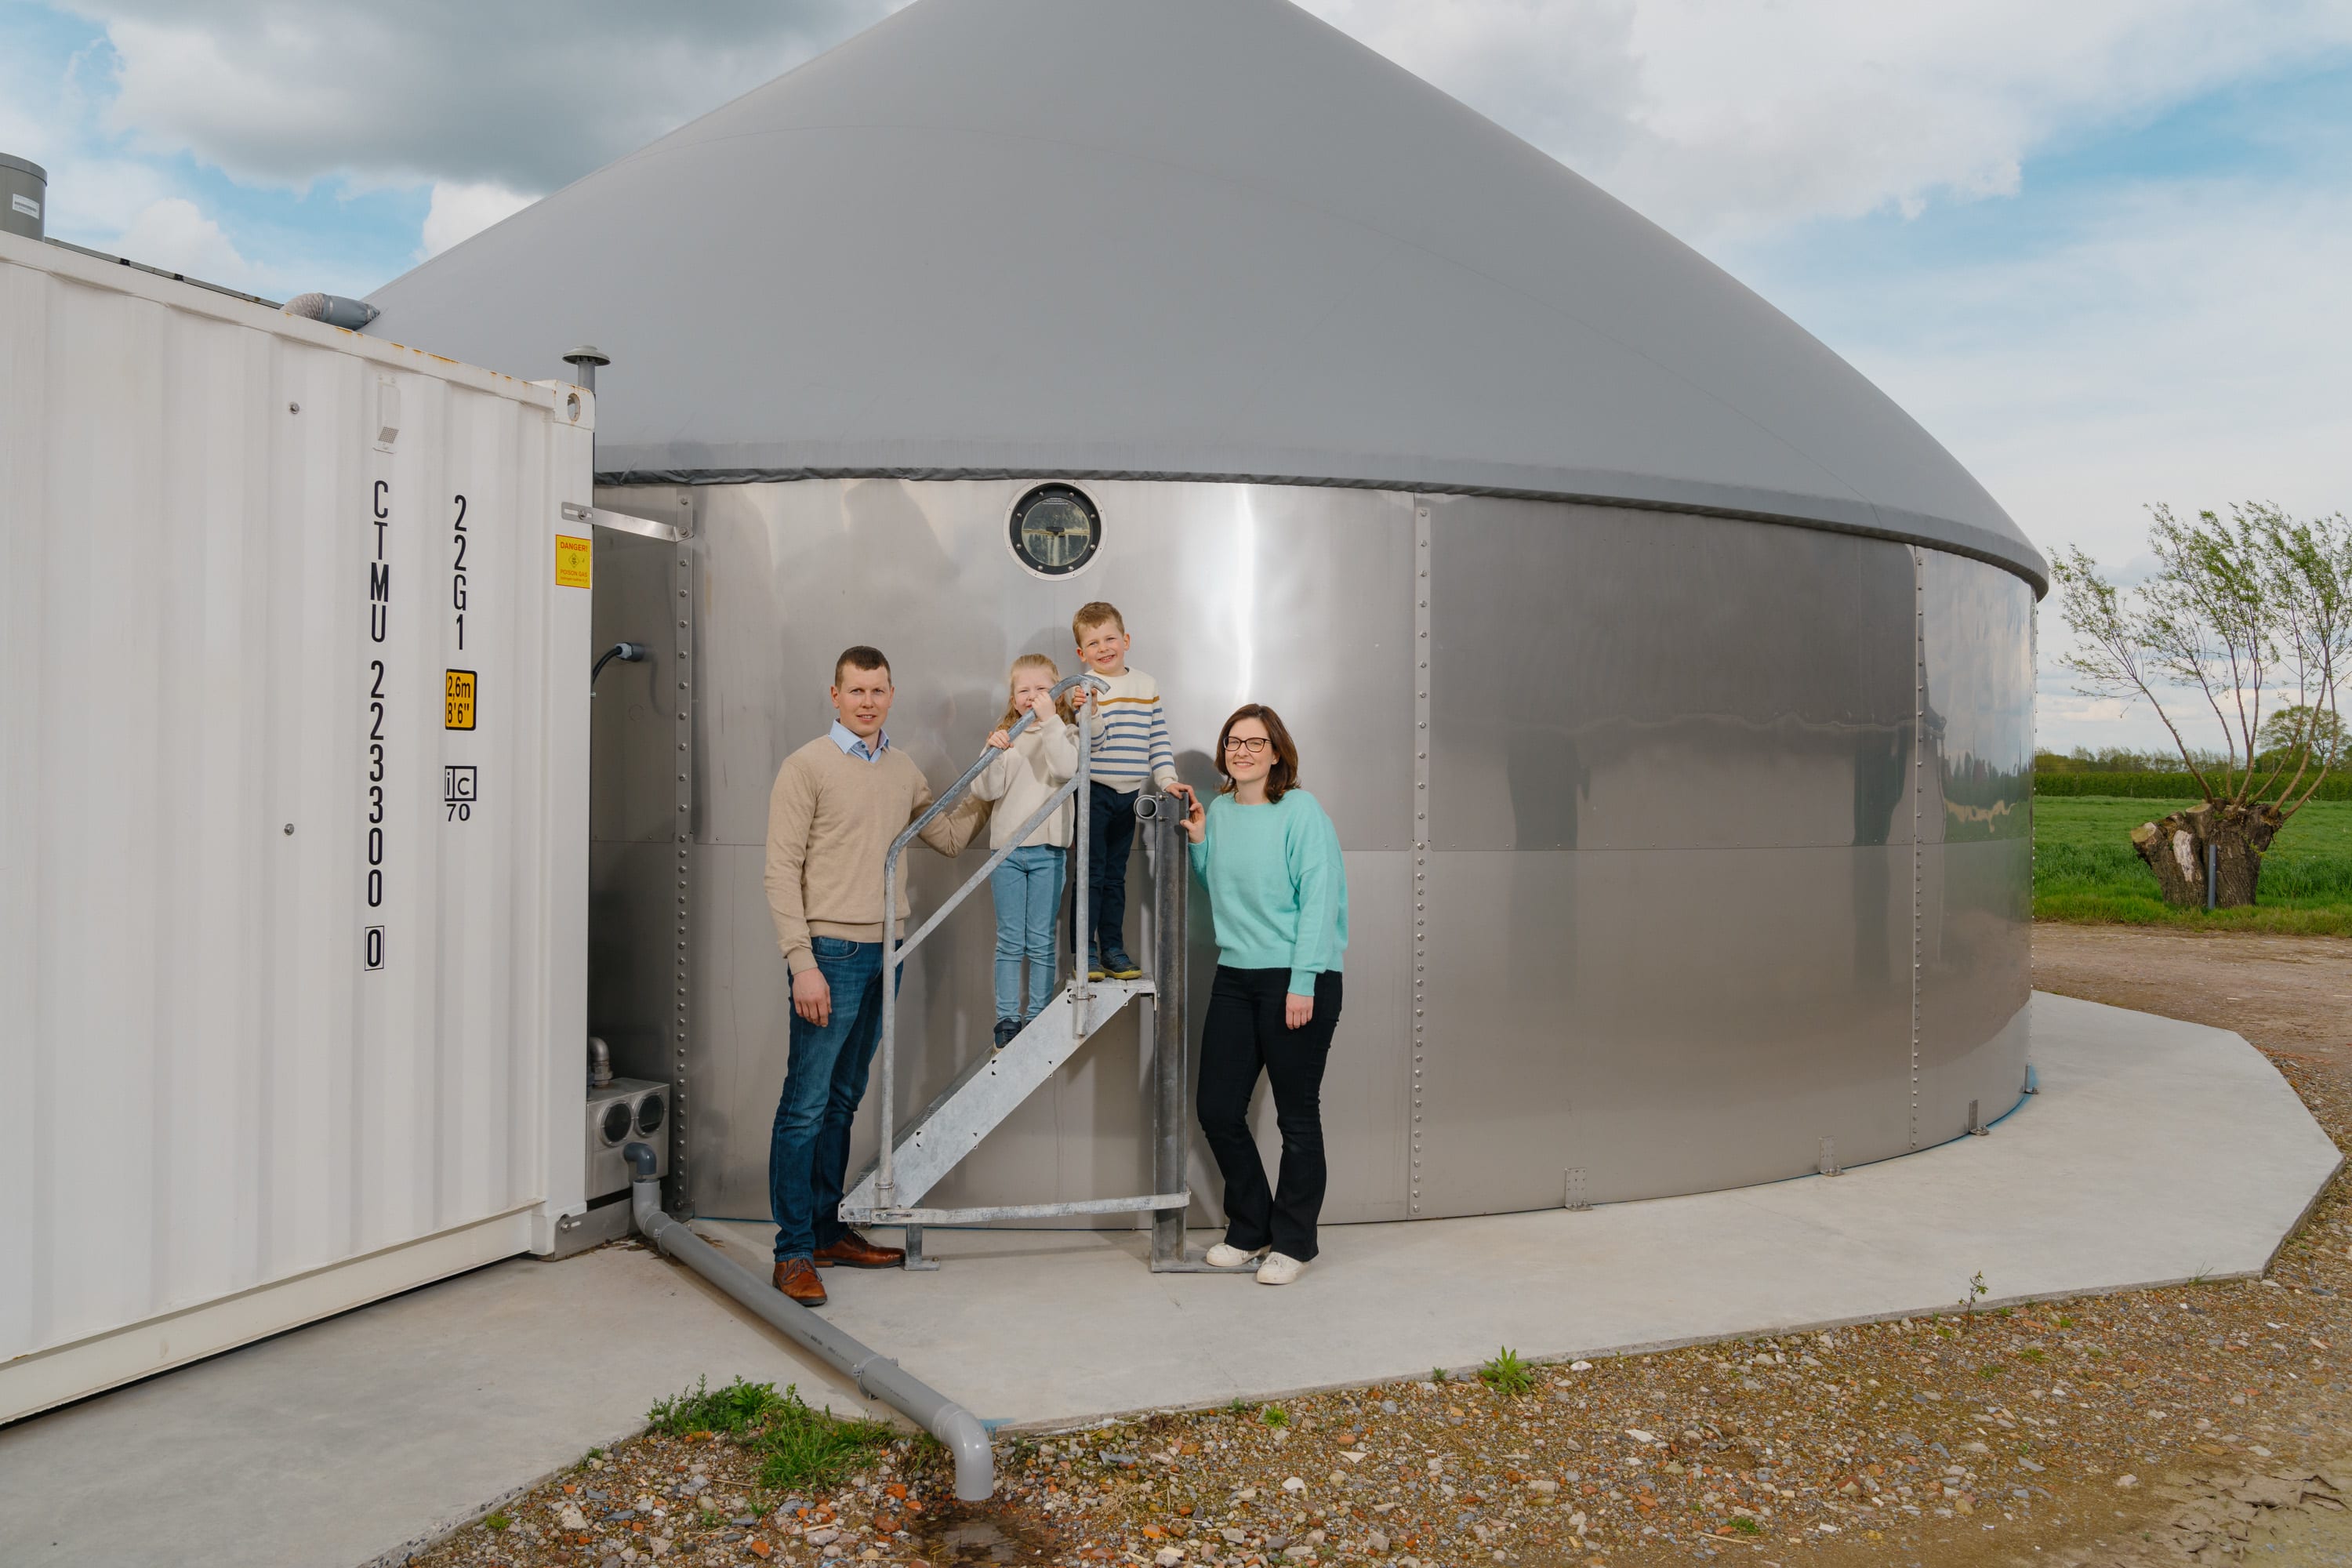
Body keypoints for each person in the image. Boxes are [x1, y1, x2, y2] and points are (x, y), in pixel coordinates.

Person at [761, 646, 989, 1307]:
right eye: (855, 691)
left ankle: (830, 1231)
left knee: (842, 1099)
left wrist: (997, 770)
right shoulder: (805, 767)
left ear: (892, 694)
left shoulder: (901, 768)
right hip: (828, 955)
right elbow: (780, 871)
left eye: (878, 691)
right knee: (803, 1107)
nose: (867, 701)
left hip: (887, 951)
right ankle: (793, 1250)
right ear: (834, 694)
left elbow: (946, 837)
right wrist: (801, 963)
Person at [1178, 704, 1348, 1286]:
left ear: (1277, 752)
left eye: (1255, 743)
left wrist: (1303, 983)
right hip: (1237, 975)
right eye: (1233, 742)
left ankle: (1295, 1242)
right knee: (1217, 1110)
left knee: (1297, 1119)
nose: (1242, 751)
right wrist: (1200, 842)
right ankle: (1251, 1228)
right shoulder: (1221, 810)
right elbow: (1218, 890)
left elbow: (1319, 902)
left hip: (1299, 978)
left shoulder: (1301, 812)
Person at [973, 654, 1080, 1048]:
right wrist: (993, 752)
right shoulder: (1005, 736)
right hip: (1007, 852)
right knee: (1009, 940)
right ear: (1013, 696)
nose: (1033, 696)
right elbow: (985, 790)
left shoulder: (1066, 732)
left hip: (1049, 850)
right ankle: (1006, 1018)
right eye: (1024, 690)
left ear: (1055, 693)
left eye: (1042, 689)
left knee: (1040, 939)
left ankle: (1036, 1015)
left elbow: (1067, 769)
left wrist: (1051, 720)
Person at [1071, 601, 1178, 981]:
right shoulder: (1082, 689)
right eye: (1094, 643)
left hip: (1128, 795)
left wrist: (1166, 779)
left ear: (1126, 640)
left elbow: (1158, 739)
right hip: (1093, 792)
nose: (1104, 648)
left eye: (1110, 638)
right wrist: (1090, 710)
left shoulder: (1146, 685)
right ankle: (1085, 951)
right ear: (1083, 654)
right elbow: (1090, 744)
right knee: (1090, 873)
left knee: (1116, 875)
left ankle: (1112, 949)